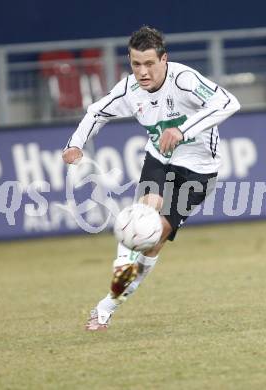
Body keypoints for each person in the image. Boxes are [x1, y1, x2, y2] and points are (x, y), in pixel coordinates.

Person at [62, 26, 240, 331]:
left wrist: (184, 130)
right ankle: (120, 266)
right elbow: (96, 112)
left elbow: (228, 102)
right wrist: (74, 144)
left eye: (149, 64)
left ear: (164, 59)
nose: (142, 72)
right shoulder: (130, 89)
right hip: (159, 158)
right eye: (135, 64)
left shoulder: (183, 80)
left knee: (152, 241)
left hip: (199, 171)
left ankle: (108, 303)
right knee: (143, 214)